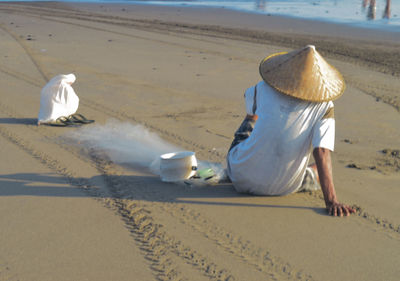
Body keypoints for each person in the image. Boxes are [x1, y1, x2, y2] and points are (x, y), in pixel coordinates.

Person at [226, 45, 356, 217]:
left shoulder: (260, 88)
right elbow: (321, 151)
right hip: (283, 187)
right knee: (318, 168)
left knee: (251, 119)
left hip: (239, 176)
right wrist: (332, 201)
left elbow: (248, 99)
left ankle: (247, 162)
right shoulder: (325, 106)